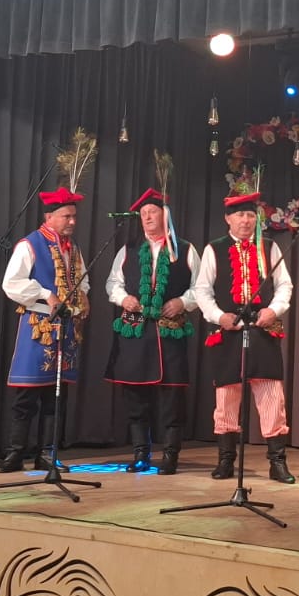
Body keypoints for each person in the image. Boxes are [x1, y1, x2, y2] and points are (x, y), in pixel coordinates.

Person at [193, 190, 296, 484]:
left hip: (263, 329)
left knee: (271, 395)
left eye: (251, 215)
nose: (246, 220)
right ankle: (226, 460)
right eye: (240, 215)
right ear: (228, 218)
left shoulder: (269, 246)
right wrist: (219, 316)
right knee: (226, 396)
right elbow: (202, 290)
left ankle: (277, 462)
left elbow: (284, 285)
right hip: (229, 330)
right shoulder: (214, 249)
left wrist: (274, 310)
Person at [104, 188, 199, 474]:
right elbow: (113, 283)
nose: (147, 217)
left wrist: (183, 302)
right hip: (136, 332)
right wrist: (124, 299)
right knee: (135, 396)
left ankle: (170, 455)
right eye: (143, 214)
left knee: (172, 397)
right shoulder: (129, 249)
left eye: (152, 212)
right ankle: (140, 454)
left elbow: (201, 287)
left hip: (169, 333)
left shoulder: (185, 249)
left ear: (164, 215)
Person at [0, 186, 91, 473]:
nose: (72, 222)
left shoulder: (73, 248)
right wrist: (45, 293)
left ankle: (47, 453)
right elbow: (11, 283)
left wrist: (83, 295)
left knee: (56, 395)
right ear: (49, 217)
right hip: (38, 325)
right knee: (27, 393)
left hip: (65, 327)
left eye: (74, 217)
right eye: (66, 216)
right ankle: (16, 452)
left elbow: (81, 280)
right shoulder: (30, 244)